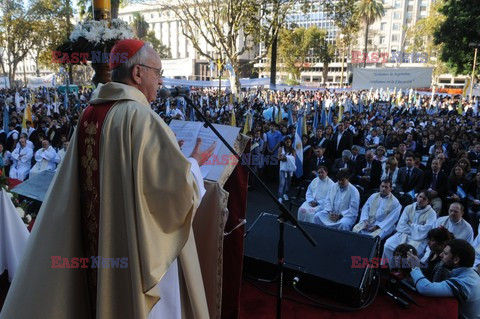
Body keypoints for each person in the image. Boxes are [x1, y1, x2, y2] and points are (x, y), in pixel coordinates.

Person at [1, 39, 215, 319]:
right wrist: (195, 163)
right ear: (138, 73)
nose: (161, 81)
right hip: (133, 247)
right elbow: (176, 193)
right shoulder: (142, 118)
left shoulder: (91, 112)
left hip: (100, 239)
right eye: (157, 72)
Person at [408, 239, 480, 319]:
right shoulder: (470, 274)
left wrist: (414, 266)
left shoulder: (465, 282)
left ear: (456, 259)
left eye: (445, 253)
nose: (440, 255)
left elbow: (425, 288)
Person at [382, 190, 437, 265]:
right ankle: (390, 268)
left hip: (419, 239)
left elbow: (426, 230)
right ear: (417, 197)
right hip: (403, 234)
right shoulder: (409, 208)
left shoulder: (432, 214)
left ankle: (404, 273)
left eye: (424, 199)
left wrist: (410, 224)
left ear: (428, 202)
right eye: (420, 197)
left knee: (410, 254)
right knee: (388, 245)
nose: (421, 199)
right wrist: (416, 227)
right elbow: (401, 225)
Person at [277, 136, 296, 202]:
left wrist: (285, 157)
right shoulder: (281, 148)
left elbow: (294, 159)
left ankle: (285, 194)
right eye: (287, 142)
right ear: (284, 142)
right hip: (282, 168)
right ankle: (280, 196)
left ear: (291, 142)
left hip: (289, 169)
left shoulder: (293, 150)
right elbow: (279, 158)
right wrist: (287, 158)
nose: (288, 143)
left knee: (288, 182)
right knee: (282, 183)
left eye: (289, 142)